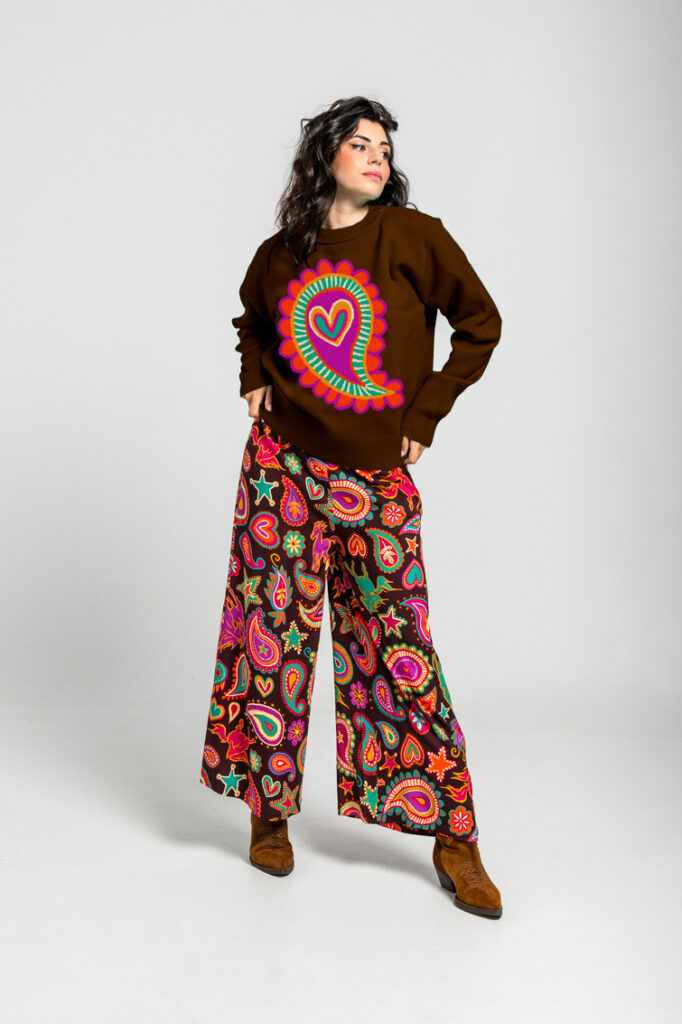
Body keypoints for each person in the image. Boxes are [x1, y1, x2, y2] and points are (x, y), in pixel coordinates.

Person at [199, 96, 504, 919]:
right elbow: (251, 323)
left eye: (384, 148)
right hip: (283, 469)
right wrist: (253, 376)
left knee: (399, 645)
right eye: (359, 144)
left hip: (373, 478)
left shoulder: (414, 236)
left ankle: (454, 836)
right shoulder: (280, 254)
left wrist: (424, 414)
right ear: (323, 157)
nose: (376, 157)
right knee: (272, 637)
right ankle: (268, 813)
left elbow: (481, 324)